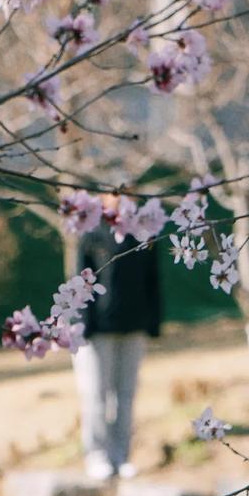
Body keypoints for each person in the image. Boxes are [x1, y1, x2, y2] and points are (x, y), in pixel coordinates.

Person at [73, 205, 163, 480]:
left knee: (126, 395)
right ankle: (97, 454)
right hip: (100, 327)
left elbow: (153, 280)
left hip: (134, 325)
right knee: (97, 395)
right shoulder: (92, 233)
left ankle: (121, 455)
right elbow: (81, 278)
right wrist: (84, 323)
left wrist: (154, 320)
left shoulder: (144, 234)